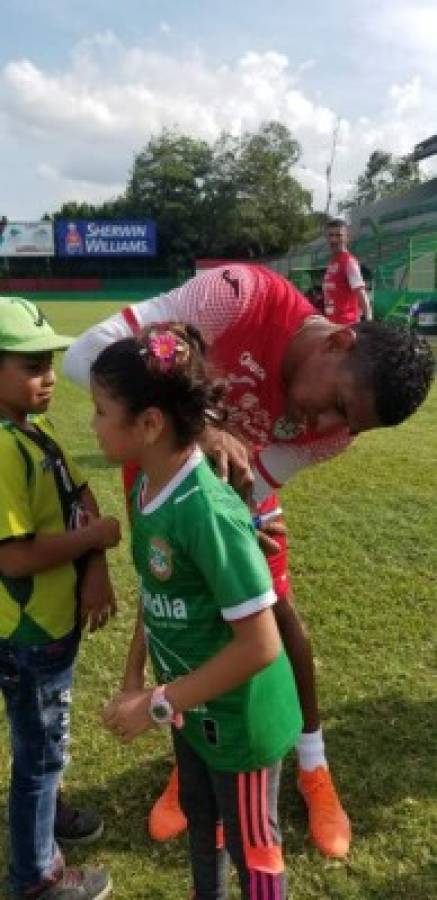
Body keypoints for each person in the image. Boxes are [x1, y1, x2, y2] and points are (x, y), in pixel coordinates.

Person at [63, 263, 434, 860]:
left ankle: (314, 766)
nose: (328, 426)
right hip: (156, 474)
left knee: (274, 611)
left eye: (349, 424)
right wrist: (201, 430)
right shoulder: (238, 293)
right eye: (337, 403)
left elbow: (257, 480)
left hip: (233, 504)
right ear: (339, 339)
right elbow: (85, 357)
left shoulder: (338, 431)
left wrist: (241, 524)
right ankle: (193, 766)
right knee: (176, 604)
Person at [92, 324, 303, 899]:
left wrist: (156, 704)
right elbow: (154, 589)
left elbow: (261, 645)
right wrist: (137, 677)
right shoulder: (147, 489)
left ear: (150, 424)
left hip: (241, 722)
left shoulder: (203, 510)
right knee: (201, 822)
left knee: (253, 850)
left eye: (101, 412)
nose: (92, 425)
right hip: (189, 707)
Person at [0, 297, 121, 899]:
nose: (47, 376)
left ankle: (44, 813)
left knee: (41, 743)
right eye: (29, 365)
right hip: (28, 633)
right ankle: (35, 878)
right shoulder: (1, 448)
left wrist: (94, 563)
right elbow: (13, 555)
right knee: (40, 752)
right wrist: (93, 539)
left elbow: (80, 488)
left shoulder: (34, 428)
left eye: (48, 361)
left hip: (50, 625)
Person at [323, 217, 372, 324]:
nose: (334, 239)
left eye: (338, 235)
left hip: (347, 327)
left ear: (346, 238)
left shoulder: (349, 262)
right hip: (333, 325)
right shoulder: (332, 262)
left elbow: (361, 294)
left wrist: (369, 323)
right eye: (331, 235)